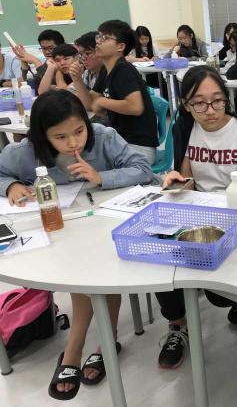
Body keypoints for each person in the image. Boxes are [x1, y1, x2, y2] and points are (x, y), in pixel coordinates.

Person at [0, 90, 153, 400]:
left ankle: (76, 349)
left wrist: (100, 176)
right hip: (59, 229)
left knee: (98, 269)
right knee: (81, 271)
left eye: (79, 130)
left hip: (106, 222)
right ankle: (103, 343)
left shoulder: (104, 136)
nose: (73, 143)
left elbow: (143, 169)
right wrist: (13, 184)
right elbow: (1, 172)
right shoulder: (24, 153)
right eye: (60, 137)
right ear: (42, 137)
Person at [154, 66, 237, 369]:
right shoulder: (183, 127)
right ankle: (178, 327)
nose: (210, 110)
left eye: (218, 100)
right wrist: (176, 180)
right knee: (160, 260)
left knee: (219, 295)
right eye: (199, 103)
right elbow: (186, 176)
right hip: (197, 212)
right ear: (187, 104)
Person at [70, 20, 158, 164]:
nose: (98, 42)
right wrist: (77, 79)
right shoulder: (107, 70)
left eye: (104, 38)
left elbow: (135, 107)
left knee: (81, 163)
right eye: (98, 37)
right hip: (121, 141)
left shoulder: (123, 70)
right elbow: (90, 104)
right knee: (76, 157)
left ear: (120, 47)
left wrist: (103, 101)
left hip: (138, 148)